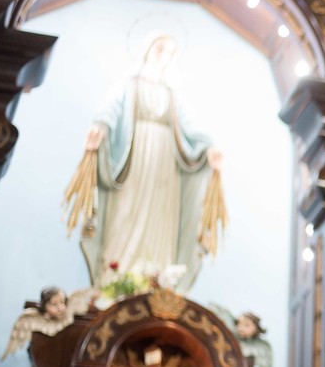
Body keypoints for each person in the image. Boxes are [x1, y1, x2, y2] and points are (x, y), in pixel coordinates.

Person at [65, 32, 225, 294]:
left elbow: (191, 126)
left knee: (162, 217)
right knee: (125, 212)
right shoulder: (129, 85)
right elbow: (110, 109)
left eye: (169, 52)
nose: (163, 55)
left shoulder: (173, 94)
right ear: (147, 49)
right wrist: (99, 126)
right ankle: (115, 278)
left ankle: (158, 279)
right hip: (134, 159)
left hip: (165, 166)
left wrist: (209, 148)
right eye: (159, 48)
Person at [1, 286, 96, 360]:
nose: (60, 307)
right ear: (44, 306)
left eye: (62, 302)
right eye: (54, 304)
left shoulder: (69, 316)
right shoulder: (35, 319)